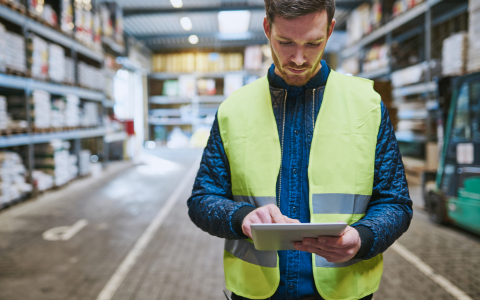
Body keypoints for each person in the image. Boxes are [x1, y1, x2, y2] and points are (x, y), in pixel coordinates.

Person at [187, 0, 413, 299]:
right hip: (255, 292)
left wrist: (364, 237)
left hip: (343, 291)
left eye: (313, 43)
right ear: (267, 28)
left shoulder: (367, 106)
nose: (298, 58)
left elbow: (396, 202)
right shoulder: (234, 109)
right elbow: (202, 199)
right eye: (285, 42)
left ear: (330, 31)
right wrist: (241, 216)